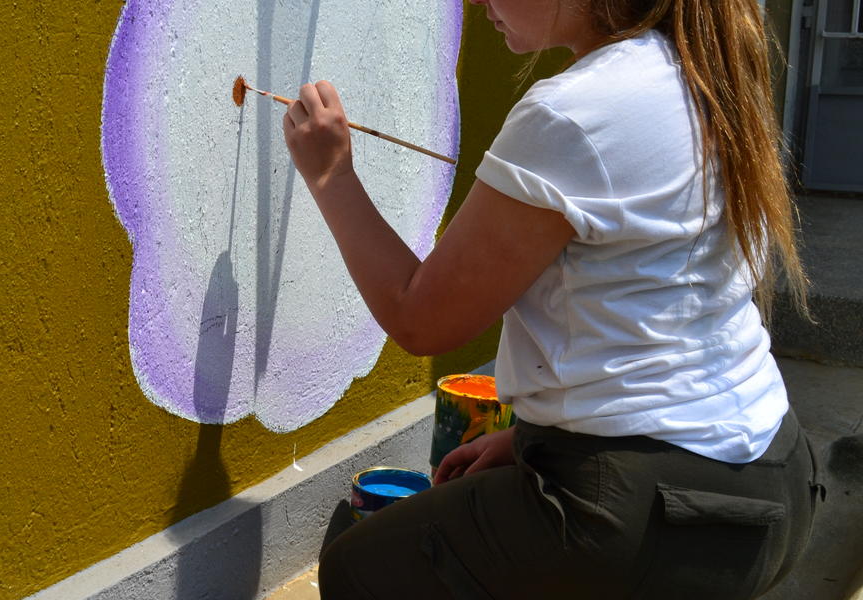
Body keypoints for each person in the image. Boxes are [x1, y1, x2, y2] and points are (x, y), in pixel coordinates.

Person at [281, 0, 822, 597]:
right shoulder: (696, 69)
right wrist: (532, 440)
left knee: (363, 569)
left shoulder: (575, 112)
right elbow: (657, 308)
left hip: (661, 516)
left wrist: (331, 174)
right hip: (774, 478)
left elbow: (420, 318)